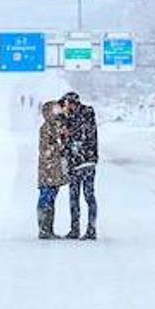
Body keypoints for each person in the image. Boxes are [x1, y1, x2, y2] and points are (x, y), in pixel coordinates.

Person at [60, 92, 98, 240]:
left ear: (72, 103)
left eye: (66, 103)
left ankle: (90, 229)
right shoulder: (70, 118)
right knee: (74, 197)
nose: (65, 107)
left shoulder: (85, 114)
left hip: (85, 162)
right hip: (76, 163)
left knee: (87, 196)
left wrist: (68, 131)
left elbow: (83, 134)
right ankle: (76, 229)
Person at [37, 101, 69, 239]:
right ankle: (44, 228)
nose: (57, 113)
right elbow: (47, 149)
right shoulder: (46, 128)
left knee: (51, 199)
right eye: (54, 110)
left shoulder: (57, 127)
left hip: (55, 171)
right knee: (46, 198)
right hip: (48, 170)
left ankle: (48, 228)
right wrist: (59, 147)